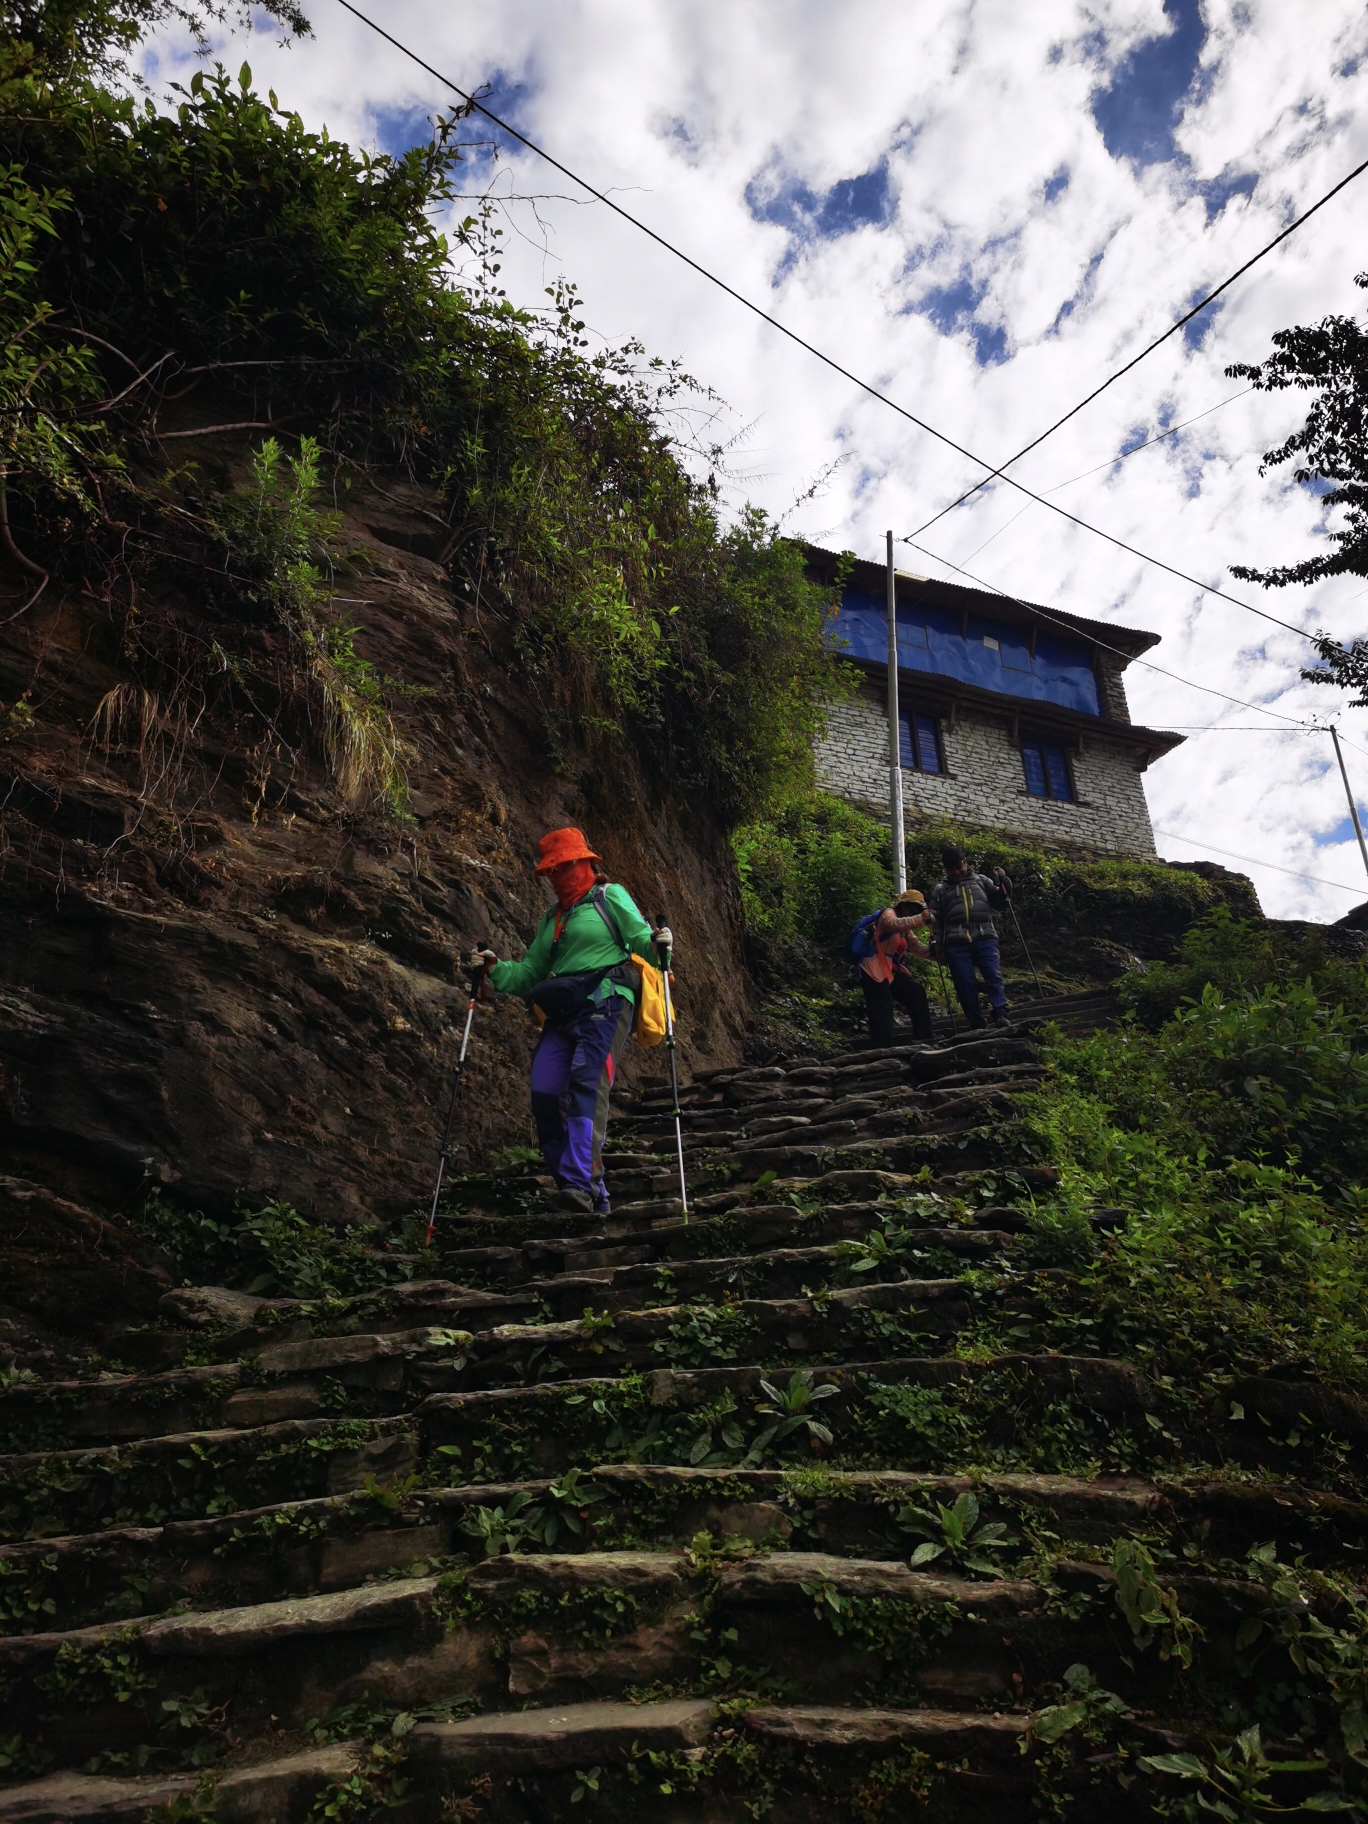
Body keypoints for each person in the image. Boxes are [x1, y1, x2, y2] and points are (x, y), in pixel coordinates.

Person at [469, 828, 669, 1215]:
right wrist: (494, 969)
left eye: (564, 867)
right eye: (552, 871)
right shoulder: (553, 918)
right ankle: (586, 1192)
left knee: (586, 1082)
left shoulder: (610, 896)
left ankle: (580, 1182)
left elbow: (642, 939)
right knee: (544, 1093)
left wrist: (661, 943)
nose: (558, 877)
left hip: (608, 998)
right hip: (563, 1011)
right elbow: (528, 973)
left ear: (586, 863)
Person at [925, 844, 1012, 1030]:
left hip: (985, 935)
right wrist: (937, 948)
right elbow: (935, 921)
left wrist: (1005, 883)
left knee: (993, 975)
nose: (956, 872)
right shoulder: (940, 891)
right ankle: (977, 1022)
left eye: (959, 867)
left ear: (965, 862)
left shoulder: (982, 881)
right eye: (951, 869)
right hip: (956, 943)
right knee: (964, 983)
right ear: (945, 870)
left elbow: (1000, 902)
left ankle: (1000, 1013)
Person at [857, 893, 936, 1047]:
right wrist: (920, 919)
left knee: (915, 992)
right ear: (903, 905)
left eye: (916, 911)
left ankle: (923, 1034)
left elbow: (916, 947)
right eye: (912, 909)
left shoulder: (905, 928)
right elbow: (894, 924)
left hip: (889, 970)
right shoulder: (889, 914)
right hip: (872, 968)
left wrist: (938, 954)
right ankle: (882, 1046)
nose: (913, 914)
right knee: (882, 1006)